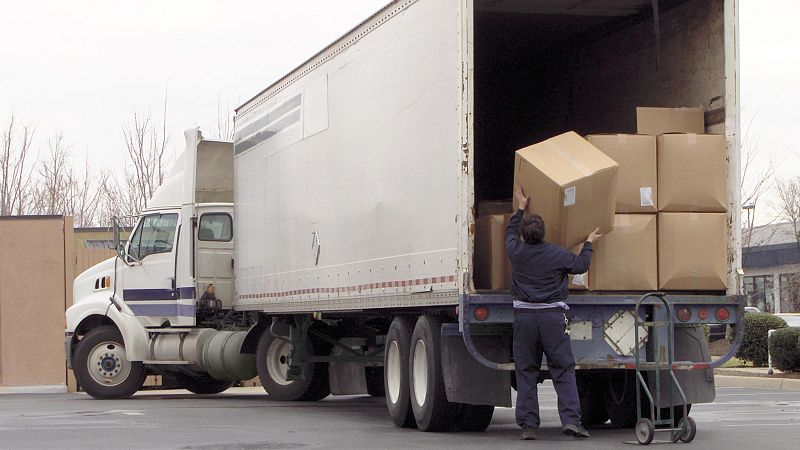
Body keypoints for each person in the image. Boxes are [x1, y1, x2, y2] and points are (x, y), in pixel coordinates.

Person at [506, 186, 602, 441]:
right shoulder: (557, 254)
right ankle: (571, 421)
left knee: (526, 370)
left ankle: (528, 426)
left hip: (525, 319)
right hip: (552, 318)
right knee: (562, 369)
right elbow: (581, 265)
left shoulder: (516, 253)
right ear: (544, 234)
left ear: (524, 236)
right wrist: (589, 243)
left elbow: (509, 233)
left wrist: (519, 208)